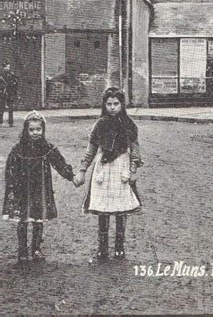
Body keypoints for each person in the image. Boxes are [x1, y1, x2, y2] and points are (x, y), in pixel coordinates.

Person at [74, 87, 142, 262]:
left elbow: (135, 149)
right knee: (103, 208)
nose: (113, 107)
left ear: (122, 105)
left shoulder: (128, 124)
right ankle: (102, 248)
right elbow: (90, 151)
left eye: (116, 104)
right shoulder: (100, 125)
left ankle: (119, 247)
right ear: (104, 105)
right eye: (109, 104)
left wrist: (133, 169)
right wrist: (82, 170)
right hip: (103, 170)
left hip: (122, 168)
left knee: (121, 208)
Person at [2, 111, 75, 266]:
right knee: (22, 219)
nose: (35, 133)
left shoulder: (47, 148)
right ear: (25, 130)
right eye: (31, 130)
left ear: (43, 130)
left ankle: (36, 248)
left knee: (38, 219)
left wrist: (71, 176)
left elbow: (59, 163)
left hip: (40, 189)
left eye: (38, 129)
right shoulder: (18, 149)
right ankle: (22, 249)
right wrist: (12, 185)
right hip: (23, 189)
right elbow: (10, 168)